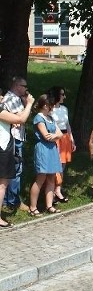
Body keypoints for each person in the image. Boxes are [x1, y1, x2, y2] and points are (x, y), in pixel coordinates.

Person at [0, 91, 34, 227]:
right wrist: (29, 104)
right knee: (2, 184)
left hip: (4, 146)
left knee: (4, 182)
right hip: (2, 148)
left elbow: (17, 117)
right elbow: (21, 119)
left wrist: (10, 123)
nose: (2, 98)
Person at [29, 95, 63, 216]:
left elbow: (59, 134)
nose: (53, 107)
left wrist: (55, 136)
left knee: (51, 178)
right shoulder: (39, 118)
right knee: (41, 178)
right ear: (45, 105)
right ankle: (33, 207)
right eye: (51, 105)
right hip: (43, 149)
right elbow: (45, 135)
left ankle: (49, 205)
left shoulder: (50, 118)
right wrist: (55, 136)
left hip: (52, 149)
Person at [1, 76, 30, 213]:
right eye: (24, 86)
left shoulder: (16, 99)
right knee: (14, 170)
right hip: (13, 138)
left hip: (17, 137)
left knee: (16, 169)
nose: (26, 89)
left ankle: (11, 199)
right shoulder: (11, 99)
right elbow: (21, 118)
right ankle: (12, 201)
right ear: (17, 86)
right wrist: (28, 104)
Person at [48, 86, 75, 203]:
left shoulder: (64, 109)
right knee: (55, 165)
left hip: (65, 137)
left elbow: (67, 124)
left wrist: (72, 139)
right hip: (56, 137)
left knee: (62, 166)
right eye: (62, 94)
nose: (64, 96)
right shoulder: (50, 109)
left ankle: (58, 189)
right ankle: (51, 191)